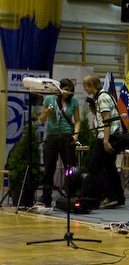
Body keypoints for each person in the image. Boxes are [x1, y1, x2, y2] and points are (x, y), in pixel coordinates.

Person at [83, 74, 125, 209]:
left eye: (85, 86)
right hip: (111, 134)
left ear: (92, 85)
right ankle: (119, 197)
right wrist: (94, 112)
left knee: (94, 167)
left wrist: (105, 141)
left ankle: (110, 195)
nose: (84, 89)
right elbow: (103, 118)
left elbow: (107, 121)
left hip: (106, 136)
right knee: (109, 168)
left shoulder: (102, 98)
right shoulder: (103, 97)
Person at [38, 79, 81, 207]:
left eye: (70, 90)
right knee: (49, 168)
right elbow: (41, 119)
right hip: (52, 137)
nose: (68, 92)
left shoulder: (74, 101)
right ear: (60, 89)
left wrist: (75, 135)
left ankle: (71, 195)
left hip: (67, 137)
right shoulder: (49, 99)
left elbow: (77, 120)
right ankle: (46, 197)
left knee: (70, 168)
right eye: (66, 89)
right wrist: (46, 113)